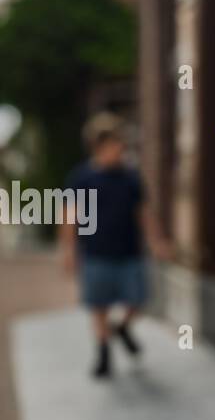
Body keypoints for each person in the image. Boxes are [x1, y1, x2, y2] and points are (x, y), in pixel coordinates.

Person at [61, 113, 168, 379]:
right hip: (96, 253)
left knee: (138, 299)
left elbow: (144, 213)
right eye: (115, 144)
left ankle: (122, 328)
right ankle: (103, 354)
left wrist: (156, 241)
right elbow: (69, 217)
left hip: (129, 252)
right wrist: (67, 251)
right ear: (99, 146)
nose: (120, 149)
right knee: (99, 306)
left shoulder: (131, 178)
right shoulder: (81, 178)